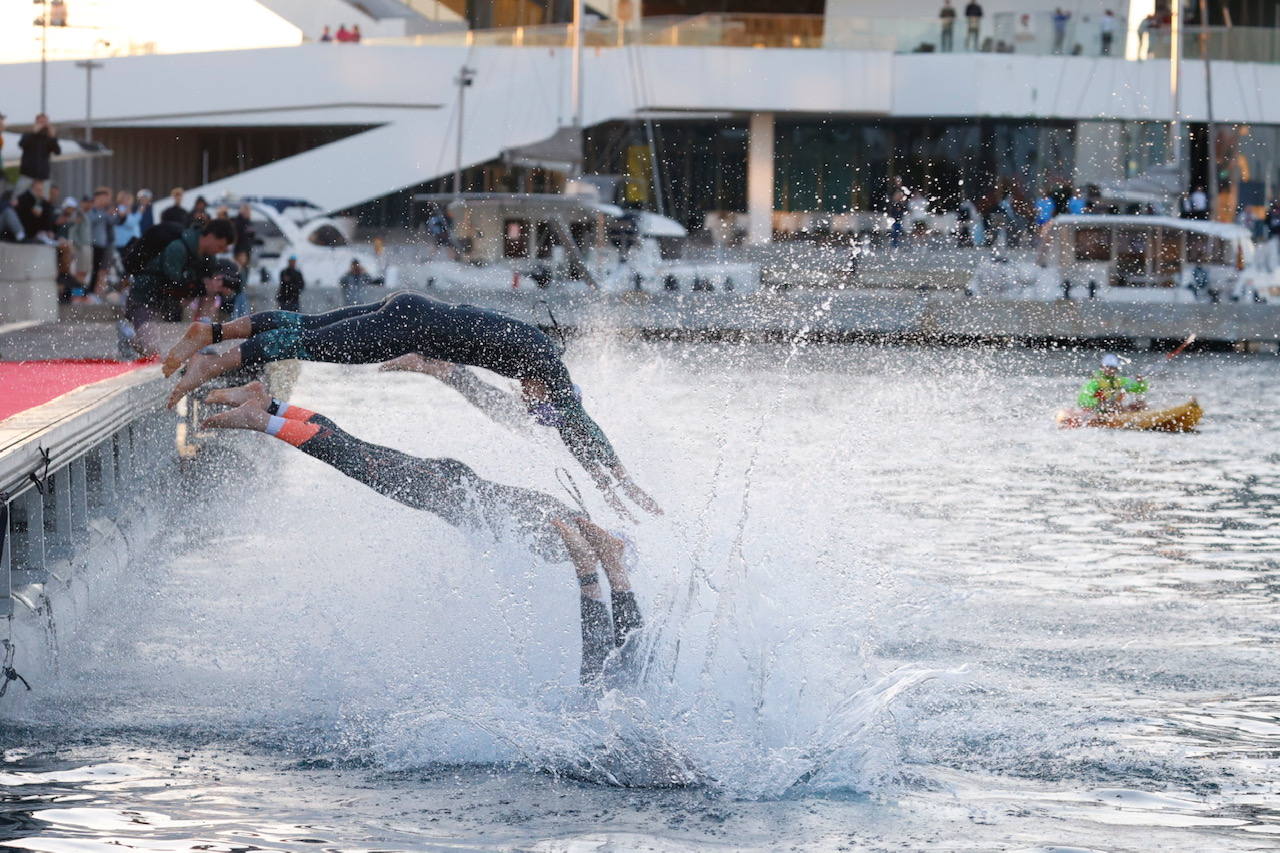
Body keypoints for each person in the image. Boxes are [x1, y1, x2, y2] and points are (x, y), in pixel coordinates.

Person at [200, 380, 643, 684]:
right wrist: (596, 566)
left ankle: (269, 405)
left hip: (454, 486)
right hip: (448, 491)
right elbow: (607, 626)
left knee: (359, 453)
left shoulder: (567, 519)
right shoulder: (567, 531)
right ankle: (265, 419)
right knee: (360, 461)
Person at [160, 292, 663, 516]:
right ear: (551, 388)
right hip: (409, 327)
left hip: (410, 308)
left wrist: (433, 366)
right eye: (536, 399)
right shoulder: (550, 371)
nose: (528, 400)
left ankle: (214, 330)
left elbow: (554, 417)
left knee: (309, 326)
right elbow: (580, 427)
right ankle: (218, 360)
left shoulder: (531, 343)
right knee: (314, 344)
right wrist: (616, 479)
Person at [123, 219, 238, 355]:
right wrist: (201, 287)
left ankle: (201, 338)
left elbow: (205, 284)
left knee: (210, 291)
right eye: (219, 247)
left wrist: (219, 287)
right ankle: (128, 338)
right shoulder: (178, 248)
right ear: (211, 236)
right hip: (144, 299)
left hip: (167, 303)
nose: (218, 252)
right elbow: (173, 284)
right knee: (151, 350)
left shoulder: (207, 258)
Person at [1077, 353, 1148, 414]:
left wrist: (1141, 382)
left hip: (1115, 410)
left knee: (1140, 405)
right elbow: (1082, 401)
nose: (1110, 370)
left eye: (1112, 368)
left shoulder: (1120, 381)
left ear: (1116, 369)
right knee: (1111, 406)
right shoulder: (1094, 382)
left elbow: (1139, 389)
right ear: (1102, 367)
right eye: (1107, 367)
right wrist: (1098, 402)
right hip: (1098, 411)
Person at [17, 114, 61, 193]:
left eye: (45, 122)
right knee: (20, 198)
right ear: (36, 123)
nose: (43, 125)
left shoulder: (48, 138)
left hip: (43, 176)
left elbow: (57, 152)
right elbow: (21, 144)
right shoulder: (28, 135)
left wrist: (53, 137)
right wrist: (33, 133)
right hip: (27, 174)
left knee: (43, 199)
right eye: (41, 122)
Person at [87, 187, 115, 281]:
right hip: (91, 244)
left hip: (102, 244)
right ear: (97, 198)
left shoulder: (104, 211)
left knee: (100, 271)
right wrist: (106, 214)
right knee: (87, 271)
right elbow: (91, 220)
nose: (106, 201)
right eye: (104, 198)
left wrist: (117, 214)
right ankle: (81, 294)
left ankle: (94, 293)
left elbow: (112, 222)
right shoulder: (91, 209)